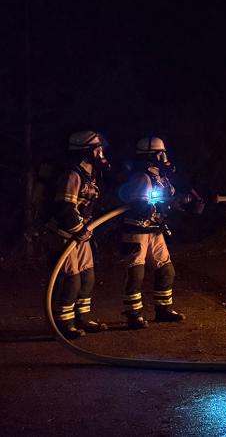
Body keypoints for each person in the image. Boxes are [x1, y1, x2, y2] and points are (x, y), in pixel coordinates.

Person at [118, 136, 200, 329]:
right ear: (151, 155)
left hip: (155, 230)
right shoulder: (142, 177)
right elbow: (140, 206)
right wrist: (167, 203)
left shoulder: (160, 176)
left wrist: (184, 200)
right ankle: (133, 315)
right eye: (161, 154)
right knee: (136, 272)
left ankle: (163, 310)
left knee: (166, 270)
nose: (165, 157)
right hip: (137, 230)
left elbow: (168, 196)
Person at [43, 131, 111, 339]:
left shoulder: (91, 174)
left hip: (81, 234)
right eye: (97, 149)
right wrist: (78, 229)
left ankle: (83, 318)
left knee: (87, 277)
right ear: (86, 151)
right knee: (71, 280)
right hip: (64, 234)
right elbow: (64, 208)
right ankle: (64, 323)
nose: (101, 153)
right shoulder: (72, 174)